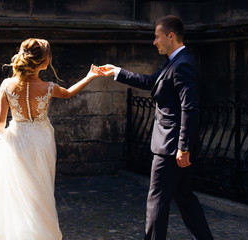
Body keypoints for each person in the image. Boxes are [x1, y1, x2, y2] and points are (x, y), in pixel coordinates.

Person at [0, 38, 101, 240]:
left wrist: (6, 139)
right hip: (42, 140)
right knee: (41, 188)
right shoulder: (49, 87)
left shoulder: (7, 85)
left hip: (17, 138)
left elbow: (0, 121)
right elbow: (68, 93)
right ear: (44, 61)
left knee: (19, 190)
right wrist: (90, 76)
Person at [99, 15, 213, 240]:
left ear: (171, 36)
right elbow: (151, 82)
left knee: (157, 201)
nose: (154, 42)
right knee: (184, 197)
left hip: (171, 148)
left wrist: (183, 147)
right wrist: (117, 71)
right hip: (175, 146)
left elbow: (189, 108)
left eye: (157, 37)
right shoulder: (174, 62)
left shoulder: (183, 65)